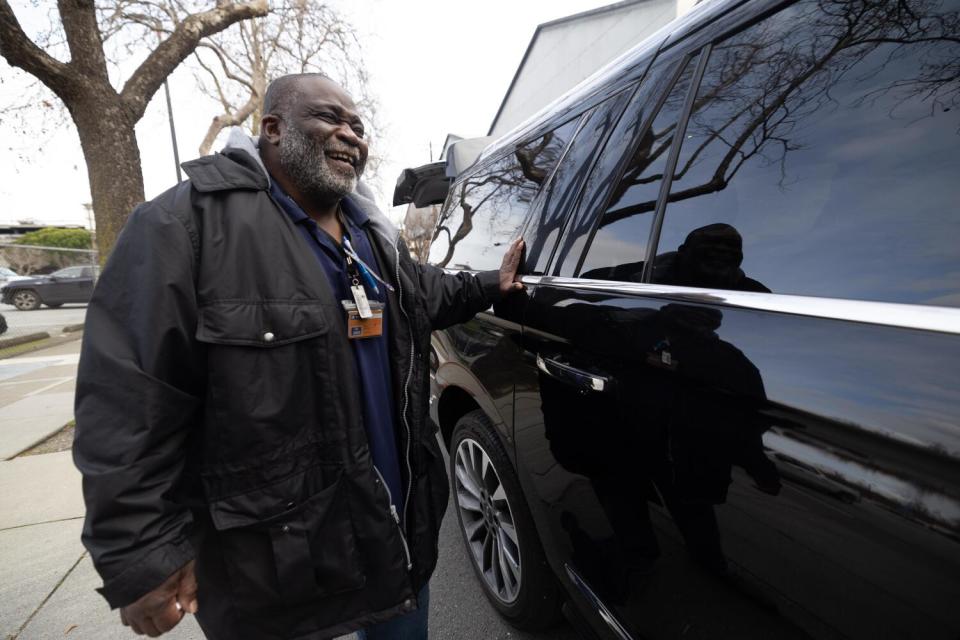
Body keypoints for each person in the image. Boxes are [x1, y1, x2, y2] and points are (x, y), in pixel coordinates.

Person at [73, 72, 524, 640]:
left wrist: (493, 283)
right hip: (275, 572)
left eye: (358, 127)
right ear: (272, 129)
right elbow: (126, 402)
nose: (350, 135)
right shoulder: (183, 227)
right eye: (329, 118)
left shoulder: (370, 238)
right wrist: (141, 556)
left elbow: (425, 294)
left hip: (391, 539)